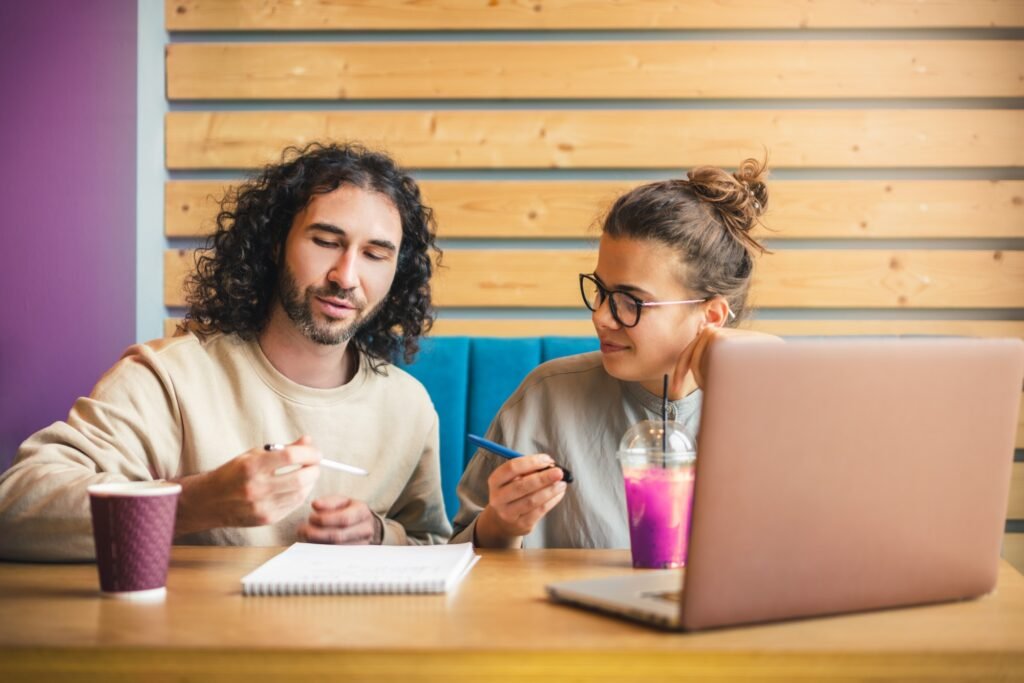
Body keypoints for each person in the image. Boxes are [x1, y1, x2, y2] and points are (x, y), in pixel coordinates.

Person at [0, 142, 451, 560]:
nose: (346, 276)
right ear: (276, 245)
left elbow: (434, 546)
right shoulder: (167, 378)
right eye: (326, 242)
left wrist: (377, 534)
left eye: (375, 254)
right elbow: (16, 508)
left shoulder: (408, 407)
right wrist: (194, 503)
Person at [451, 158, 776, 548]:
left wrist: (767, 374)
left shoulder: (769, 410)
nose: (601, 317)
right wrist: (498, 528)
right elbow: (457, 561)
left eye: (629, 301)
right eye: (601, 291)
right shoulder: (544, 398)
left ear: (710, 316)